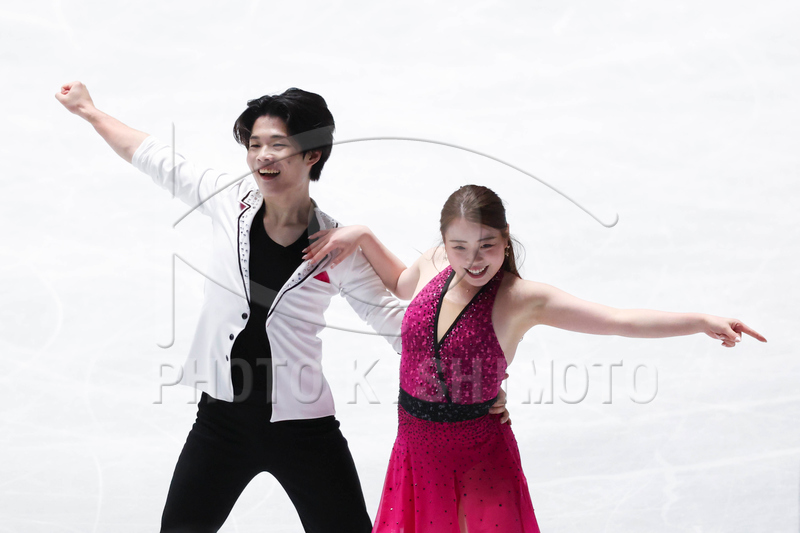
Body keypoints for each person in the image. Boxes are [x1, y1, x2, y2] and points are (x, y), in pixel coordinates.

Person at [55, 82, 509, 533]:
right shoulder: (228, 202)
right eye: (254, 145)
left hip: (305, 430)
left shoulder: (336, 248)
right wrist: (90, 111)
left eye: (277, 145)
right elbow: (154, 156)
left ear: (312, 154)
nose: (262, 157)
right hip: (221, 422)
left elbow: (401, 329)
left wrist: (478, 384)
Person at [303, 184, 767, 533]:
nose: (474, 260)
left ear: (506, 238)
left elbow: (617, 319)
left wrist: (700, 320)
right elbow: (400, 283)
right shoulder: (435, 262)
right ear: (444, 242)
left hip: (476, 459)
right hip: (413, 448)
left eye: (487, 245)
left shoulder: (521, 299)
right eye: (460, 247)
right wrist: (363, 234)